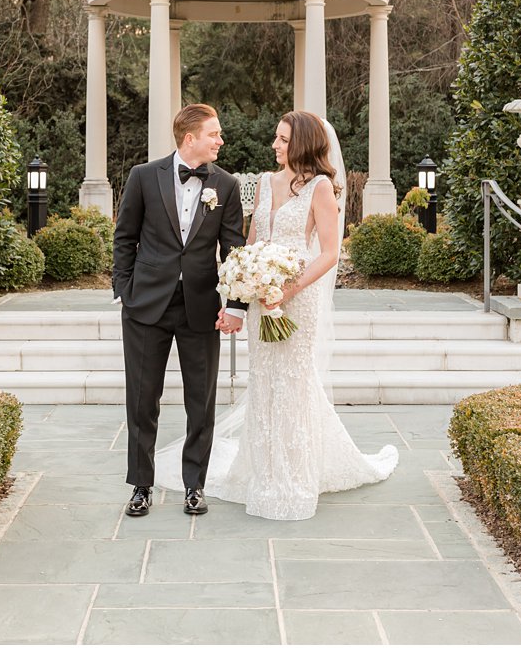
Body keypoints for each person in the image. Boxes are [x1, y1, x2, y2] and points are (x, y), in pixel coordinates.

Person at [156, 110, 397, 520]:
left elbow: (329, 253)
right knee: (265, 380)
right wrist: (242, 286)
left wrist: (287, 288)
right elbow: (250, 241)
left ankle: (295, 476)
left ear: (301, 143)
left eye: (282, 140)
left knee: (295, 381)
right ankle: (262, 471)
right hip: (261, 295)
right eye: (276, 138)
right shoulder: (266, 184)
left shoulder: (322, 188)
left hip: (298, 298)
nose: (275, 145)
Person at [112, 103, 246, 519]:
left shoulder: (225, 184)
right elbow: (124, 236)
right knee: (142, 398)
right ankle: (140, 486)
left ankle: (195, 485)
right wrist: (124, 289)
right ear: (191, 138)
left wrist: (236, 305)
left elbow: (235, 250)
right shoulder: (142, 177)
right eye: (214, 134)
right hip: (146, 305)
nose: (220, 141)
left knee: (200, 401)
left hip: (202, 308)